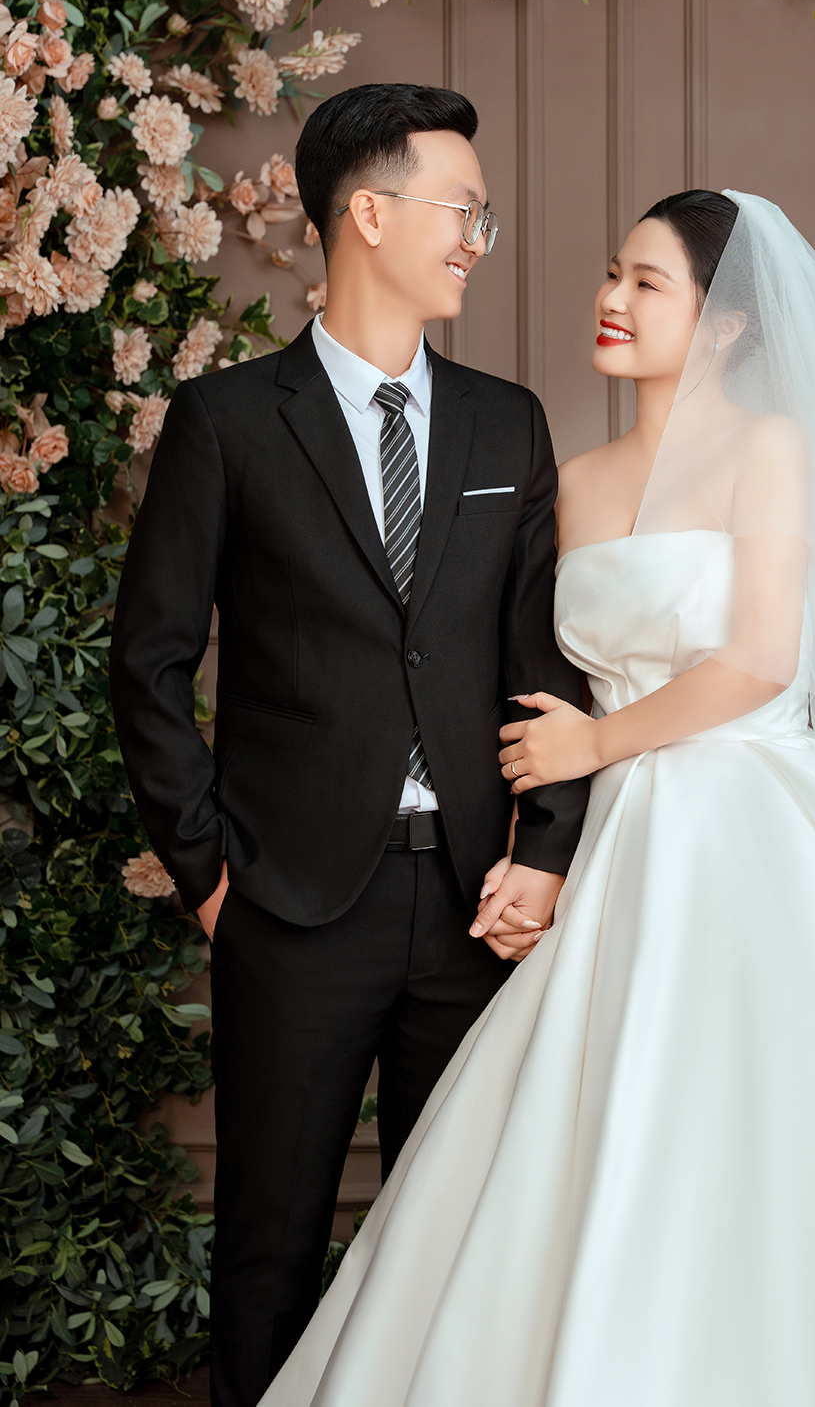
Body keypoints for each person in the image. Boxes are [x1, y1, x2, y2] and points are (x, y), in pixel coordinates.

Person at [258, 187, 815, 1407]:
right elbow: (523, 677)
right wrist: (544, 825)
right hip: (618, 835)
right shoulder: (574, 479)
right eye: (612, 273)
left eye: (649, 284)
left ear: (727, 322)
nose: (612, 299)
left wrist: (596, 745)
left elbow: (758, 662)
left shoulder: (767, 449)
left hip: (752, 815)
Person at [108, 82, 589, 1407]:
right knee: (269, 1250)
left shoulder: (507, 422)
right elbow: (148, 665)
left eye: (483, 217)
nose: (477, 240)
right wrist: (212, 879)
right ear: (367, 215)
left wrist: (546, 851)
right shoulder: (225, 422)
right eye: (461, 210)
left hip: (477, 903)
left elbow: (543, 660)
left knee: (459, 1254)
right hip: (289, 903)